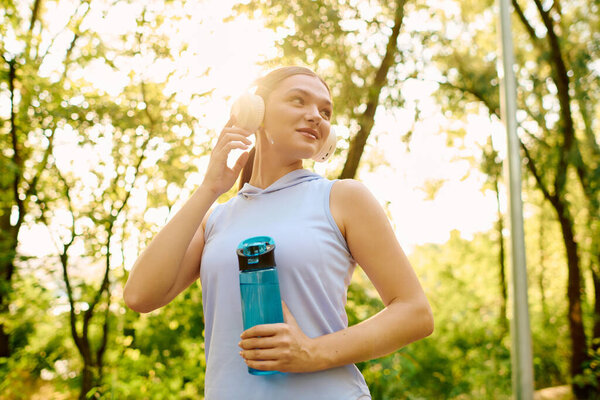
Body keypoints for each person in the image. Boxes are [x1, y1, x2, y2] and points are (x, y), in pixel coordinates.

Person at [123, 66, 434, 399]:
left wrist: (311, 353)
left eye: (325, 111)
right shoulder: (215, 219)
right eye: (298, 100)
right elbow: (140, 296)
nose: (315, 116)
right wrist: (209, 188)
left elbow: (414, 313)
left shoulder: (343, 197)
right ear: (256, 112)